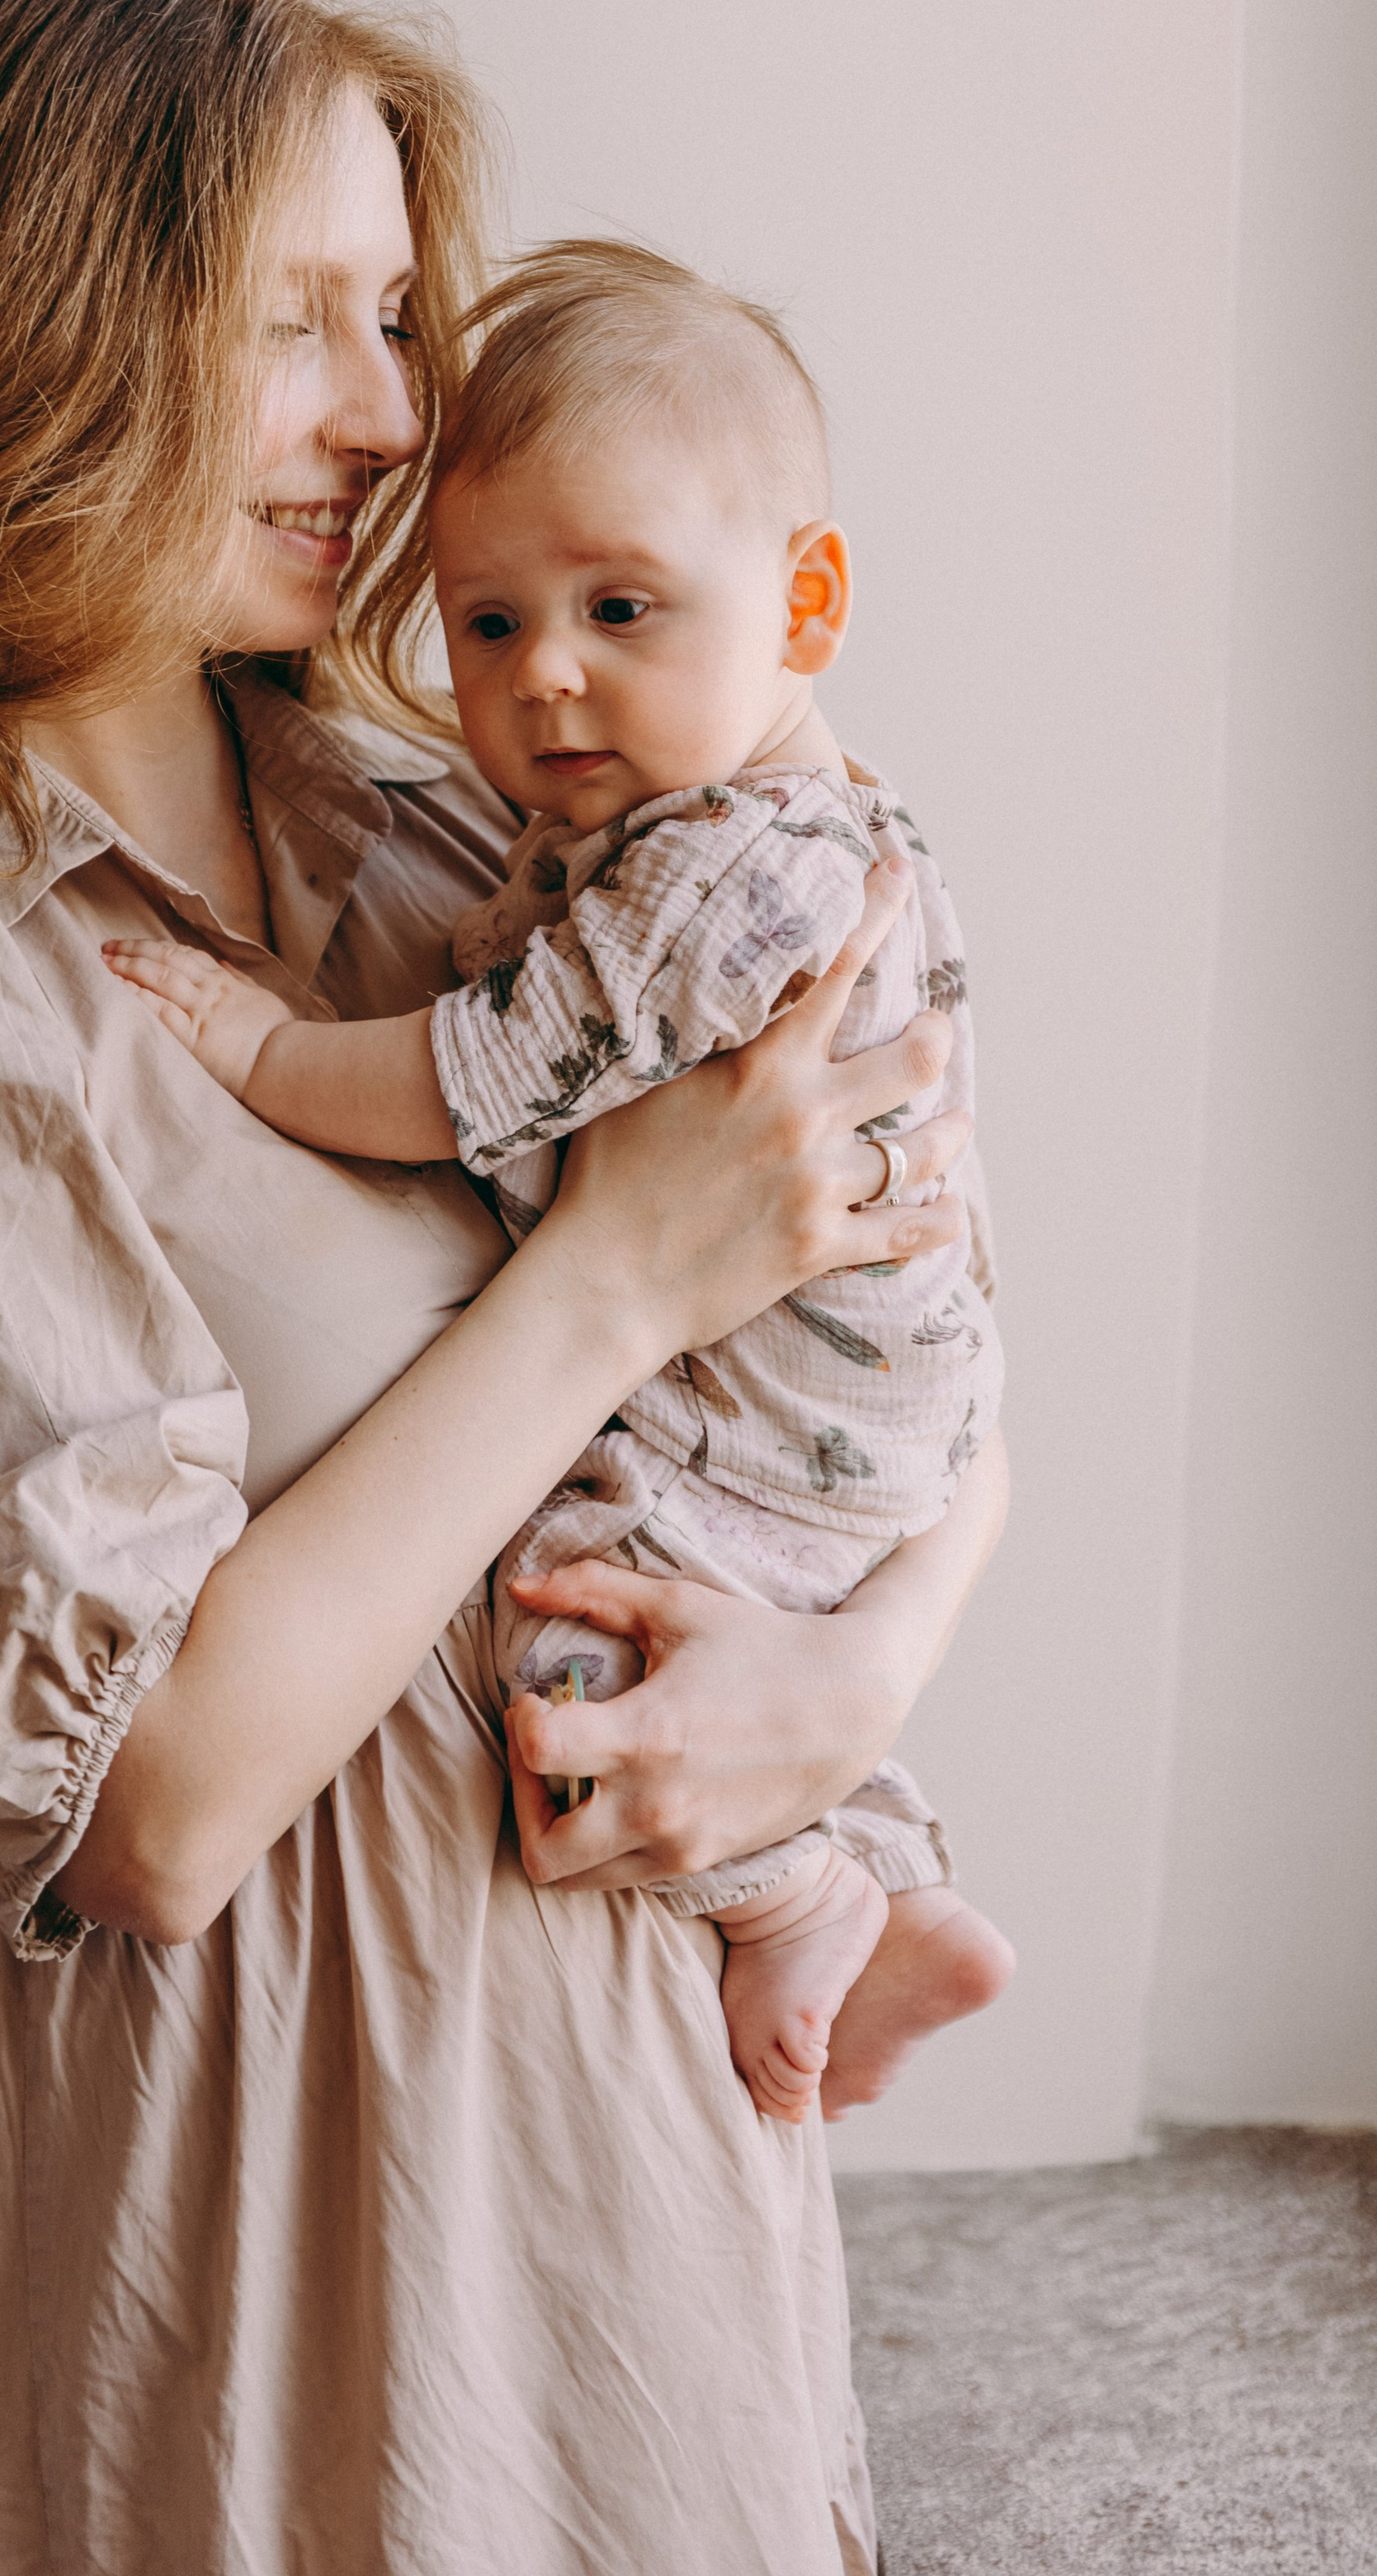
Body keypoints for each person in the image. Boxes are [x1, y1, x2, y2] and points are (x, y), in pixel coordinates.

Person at [0, 0, 1010, 2576]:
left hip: (633, 2228)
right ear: (38, 328)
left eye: (404, 317)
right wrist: (606, 1282)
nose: (400, 418)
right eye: (303, 322)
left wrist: (843, 1696)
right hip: (254, 2293)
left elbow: (923, 1328)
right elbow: (152, 1806)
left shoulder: (464, 845)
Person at [105, 237, 1016, 2131]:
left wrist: (257, 1045)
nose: (549, 681)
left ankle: (805, 1896)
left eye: (620, 605)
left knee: (582, 1638)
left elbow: (476, 1074)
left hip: (787, 1415)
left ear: (805, 596)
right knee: (731, 1612)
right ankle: (908, 1886)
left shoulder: (720, 875)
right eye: (490, 625)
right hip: (859, 1398)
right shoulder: (686, 823)